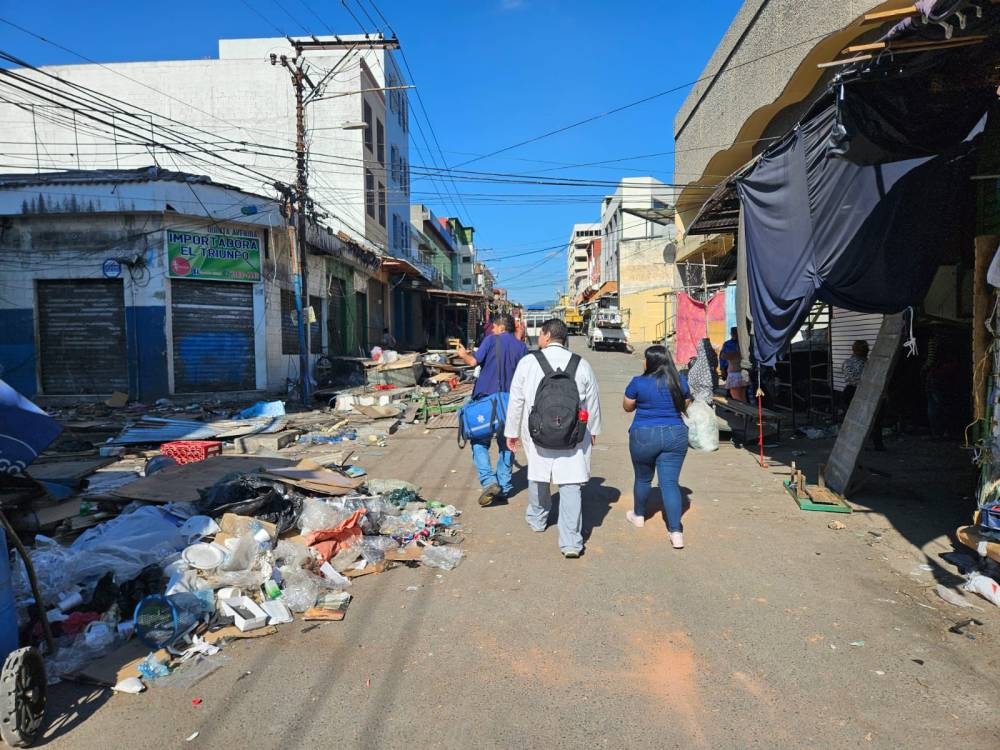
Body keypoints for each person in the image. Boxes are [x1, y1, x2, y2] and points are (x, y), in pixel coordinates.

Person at [504, 318, 601, 558]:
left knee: (538, 475)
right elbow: (592, 402)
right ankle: (571, 542)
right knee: (570, 484)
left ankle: (538, 519)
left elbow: (516, 399)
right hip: (573, 434)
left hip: (537, 432)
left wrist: (511, 432)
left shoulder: (528, 362)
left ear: (546, 335)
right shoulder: (582, 364)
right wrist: (594, 430)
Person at [456, 314, 528, 506]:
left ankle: (489, 481)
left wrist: (463, 354)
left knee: (479, 440)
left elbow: (473, 363)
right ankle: (503, 487)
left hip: (487, 401)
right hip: (511, 403)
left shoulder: (491, 340)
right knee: (507, 443)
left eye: (494, 328)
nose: (492, 331)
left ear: (499, 327)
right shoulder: (521, 347)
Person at [623, 346, 691, 549]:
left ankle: (639, 515)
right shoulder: (679, 381)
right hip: (675, 433)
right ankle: (676, 532)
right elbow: (684, 405)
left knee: (643, 478)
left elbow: (627, 406)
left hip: (644, 434)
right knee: (669, 483)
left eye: (645, 359)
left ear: (650, 362)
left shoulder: (638, 382)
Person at [841, 339, 885, 451]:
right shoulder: (869, 363)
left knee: (855, 420)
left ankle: (855, 445)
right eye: (865, 349)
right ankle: (877, 444)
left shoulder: (848, 362)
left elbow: (851, 378)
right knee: (874, 419)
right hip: (865, 392)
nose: (866, 351)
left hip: (853, 392)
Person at [686, 338, 718, 404]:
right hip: (707, 386)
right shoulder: (712, 356)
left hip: (696, 388)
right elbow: (715, 365)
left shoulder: (697, 361)